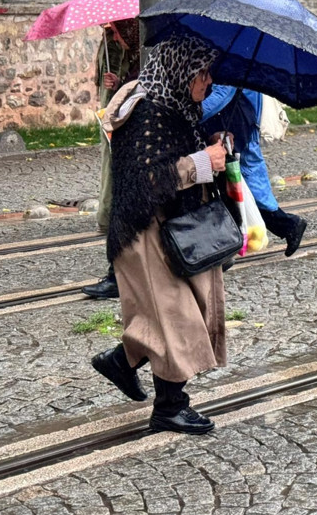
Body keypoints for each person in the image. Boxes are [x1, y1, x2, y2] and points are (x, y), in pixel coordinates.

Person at [90, 34, 227, 435]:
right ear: (179, 68)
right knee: (177, 317)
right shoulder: (146, 113)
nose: (208, 82)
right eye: (201, 72)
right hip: (143, 230)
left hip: (173, 227)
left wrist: (215, 149)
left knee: (174, 314)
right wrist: (201, 162)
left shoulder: (178, 109)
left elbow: (181, 157)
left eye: (209, 72)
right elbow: (145, 180)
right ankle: (170, 407)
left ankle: (120, 361)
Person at [201, 86, 307, 258]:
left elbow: (222, 94)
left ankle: (289, 225)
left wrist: (192, 115)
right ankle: (288, 226)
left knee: (243, 185)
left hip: (236, 126)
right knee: (235, 185)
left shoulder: (231, 61)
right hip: (231, 123)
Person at [83, 19, 141, 299]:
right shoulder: (130, 53)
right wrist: (118, 83)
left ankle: (118, 277)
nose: (115, 37)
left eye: (119, 31)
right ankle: (117, 275)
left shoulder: (147, 54)